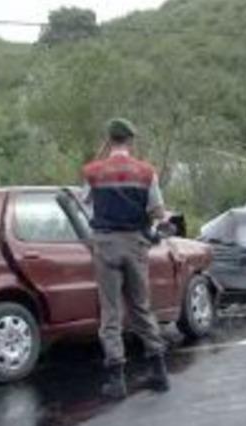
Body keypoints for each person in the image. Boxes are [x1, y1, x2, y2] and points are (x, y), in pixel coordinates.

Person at [82, 118, 169, 400]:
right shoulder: (146, 172)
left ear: (108, 140)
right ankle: (158, 370)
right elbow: (158, 211)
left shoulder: (93, 171)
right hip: (135, 244)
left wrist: (99, 155)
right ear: (131, 141)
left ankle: (117, 380)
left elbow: (85, 200)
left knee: (111, 312)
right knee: (141, 306)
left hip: (105, 244)